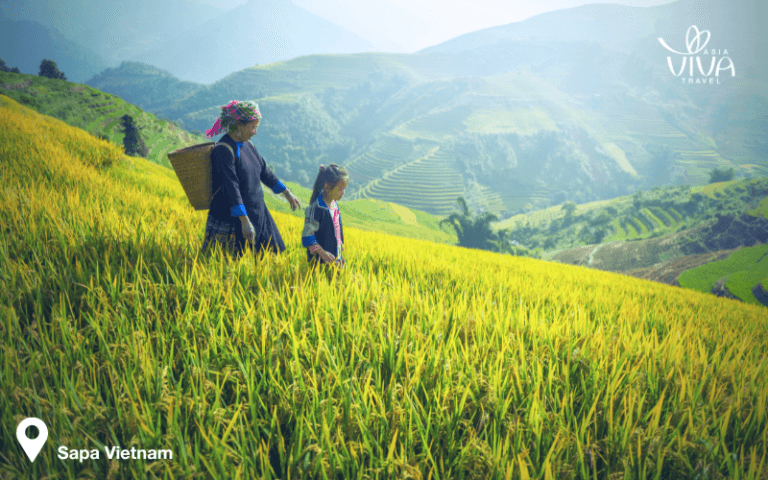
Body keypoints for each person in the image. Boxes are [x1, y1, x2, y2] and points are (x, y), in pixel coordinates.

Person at [200, 100, 301, 259]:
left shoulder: (248, 146)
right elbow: (231, 187)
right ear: (239, 124)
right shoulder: (224, 150)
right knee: (227, 263)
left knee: (271, 258)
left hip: (257, 213)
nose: (255, 132)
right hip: (233, 218)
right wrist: (244, 221)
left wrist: (287, 193)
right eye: (253, 127)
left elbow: (265, 173)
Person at [301, 164, 350, 267]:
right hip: (320, 264)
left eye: (345, 189)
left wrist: (339, 245)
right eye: (340, 189)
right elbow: (307, 237)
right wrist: (322, 253)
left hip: (336, 261)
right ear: (327, 187)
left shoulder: (334, 204)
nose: (343, 193)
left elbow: (335, 228)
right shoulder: (316, 209)